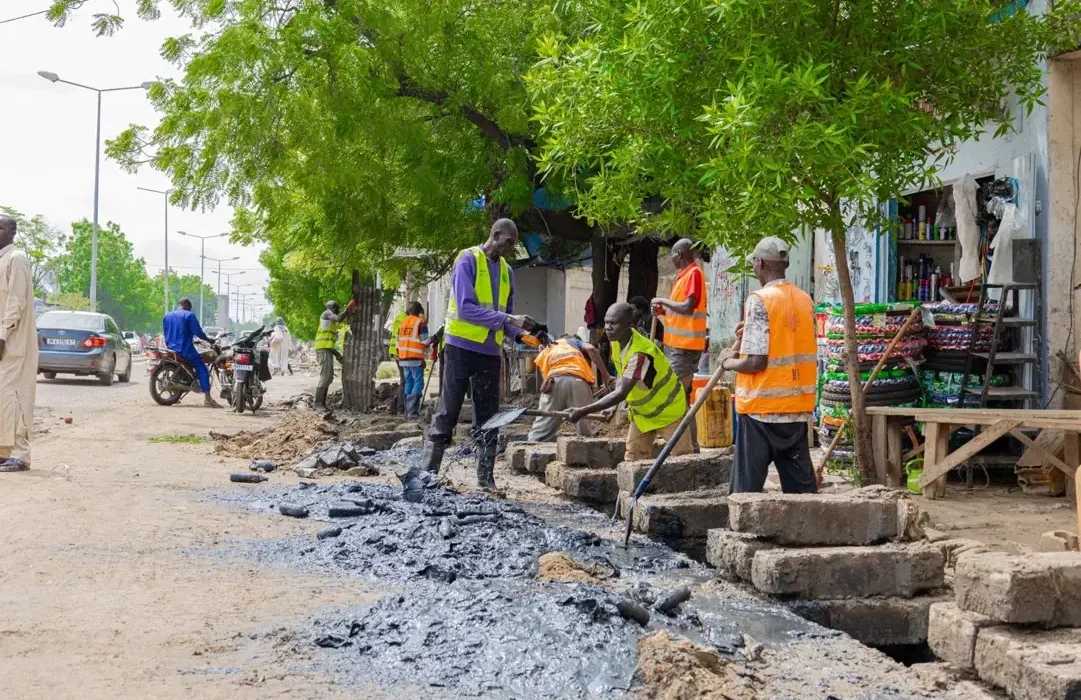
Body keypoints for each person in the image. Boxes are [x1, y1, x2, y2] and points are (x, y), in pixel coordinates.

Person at [421, 218, 535, 488]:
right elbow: (466, 308)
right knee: (448, 412)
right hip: (461, 347)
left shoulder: (507, 272)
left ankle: (486, 480)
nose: (511, 248)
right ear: (495, 235)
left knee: (489, 417)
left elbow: (504, 321)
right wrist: (510, 318)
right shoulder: (467, 260)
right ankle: (427, 475)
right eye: (509, 242)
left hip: (489, 353)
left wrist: (523, 335)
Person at [717, 236, 817, 494]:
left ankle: (737, 533)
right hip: (796, 409)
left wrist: (727, 361)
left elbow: (756, 362)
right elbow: (786, 338)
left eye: (753, 263)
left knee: (745, 494)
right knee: (802, 495)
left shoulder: (760, 299)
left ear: (760, 263)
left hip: (761, 410)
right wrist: (749, 330)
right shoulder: (805, 299)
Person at [567, 302, 690, 462]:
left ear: (630, 324)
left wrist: (583, 411)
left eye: (613, 323)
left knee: (684, 460)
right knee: (633, 459)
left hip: (668, 410)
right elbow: (624, 379)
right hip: (642, 413)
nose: (608, 327)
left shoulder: (640, 353)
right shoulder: (617, 343)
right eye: (607, 322)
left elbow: (621, 392)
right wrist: (613, 406)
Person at [653, 239, 708, 448]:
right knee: (680, 397)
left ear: (679, 254)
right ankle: (688, 445)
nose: (672, 259)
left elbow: (687, 307)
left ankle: (686, 446)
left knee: (675, 396)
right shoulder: (682, 277)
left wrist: (662, 301)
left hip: (685, 347)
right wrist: (663, 311)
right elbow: (678, 311)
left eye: (672, 255)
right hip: (676, 345)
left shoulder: (694, 274)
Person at [0, 215, 38, 472]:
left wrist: (3, 335)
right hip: (4, 340)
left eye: (1, 227)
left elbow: (16, 301)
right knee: (3, 398)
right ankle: (4, 451)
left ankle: (21, 454)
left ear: (12, 232)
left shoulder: (16, 259)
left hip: (13, 342)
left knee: (15, 397)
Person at [527, 333, 612, 442]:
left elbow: (545, 383)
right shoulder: (573, 341)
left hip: (554, 381)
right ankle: (588, 452)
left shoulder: (549, 348)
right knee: (584, 429)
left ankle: (530, 447)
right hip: (579, 381)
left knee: (541, 431)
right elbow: (591, 349)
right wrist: (607, 377)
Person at [163, 298, 221, 408]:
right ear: (188, 306)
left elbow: (166, 333)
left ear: (179, 305)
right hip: (185, 349)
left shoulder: (168, 316)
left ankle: (178, 393)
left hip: (170, 348)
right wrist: (209, 340)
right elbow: (198, 332)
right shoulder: (189, 315)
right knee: (202, 368)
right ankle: (208, 398)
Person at [314, 298, 357, 410]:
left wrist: (338, 355)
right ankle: (317, 404)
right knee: (325, 377)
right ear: (333, 307)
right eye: (337, 308)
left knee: (328, 377)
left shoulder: (329, 320)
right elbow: (338, 318)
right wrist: (348, 309)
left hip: (326, 349)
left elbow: (328, 344)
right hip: (322, 350)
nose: (338, 310)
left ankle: (322, 404)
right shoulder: (327, 313)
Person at [396, 301, 429, 418]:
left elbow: (397, 342)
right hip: (415, 358)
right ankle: (413, 412)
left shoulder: (403, 323)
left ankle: (407, 412)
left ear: (409, 311)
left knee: (408, 382)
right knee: (418, 382)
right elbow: (425, 342)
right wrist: (433, 339)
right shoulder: (420, 323)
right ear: (420, 312)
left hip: (403, 358)